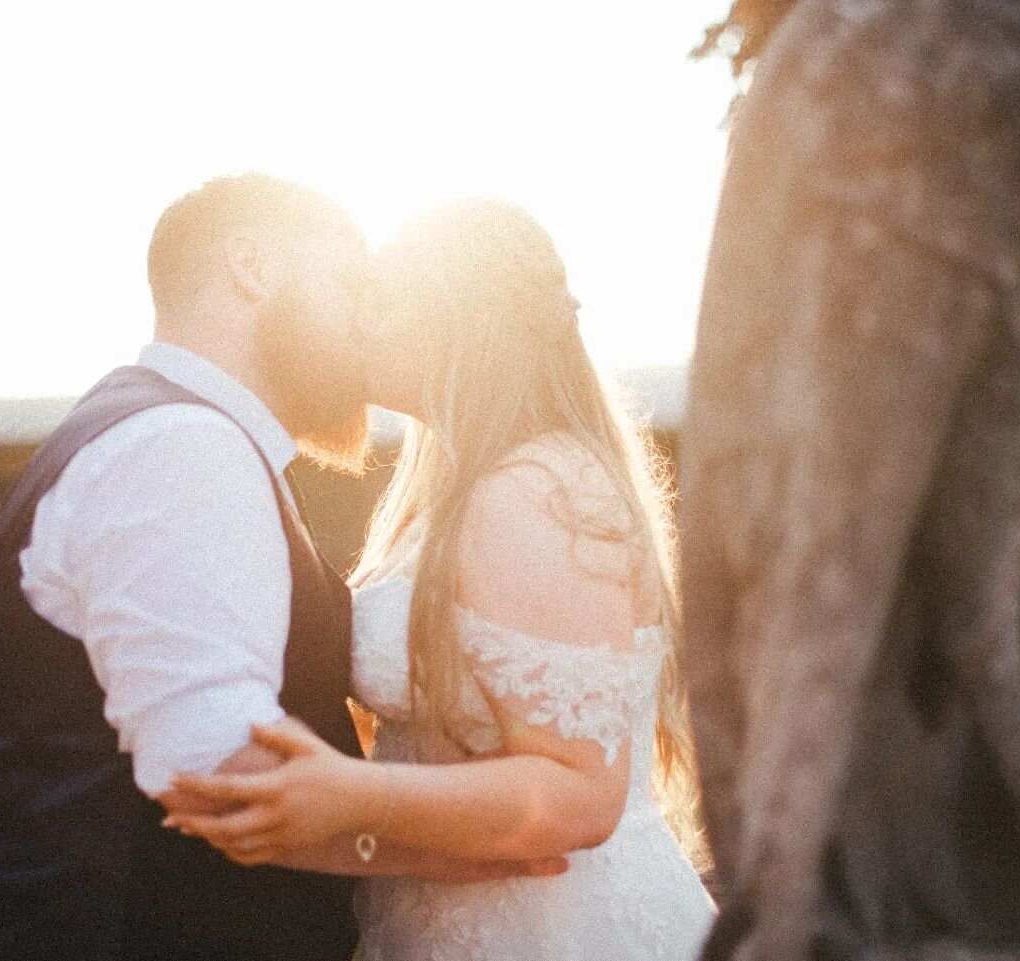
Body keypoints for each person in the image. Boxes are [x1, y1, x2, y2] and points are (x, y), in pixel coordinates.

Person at [0, 175, 551, 961]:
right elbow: (220, 772)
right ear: (250, 263)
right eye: (347, 281)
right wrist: (468, 856)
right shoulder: (183, 448)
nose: (366, 319)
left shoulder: (168, 431)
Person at [163, 198, 717, 961]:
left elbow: (580, 794)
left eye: (378, 301)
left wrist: (350, 797)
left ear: (455, 316)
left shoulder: (536, 490)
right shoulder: (449, 487)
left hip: (557, 930)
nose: (357, 323)